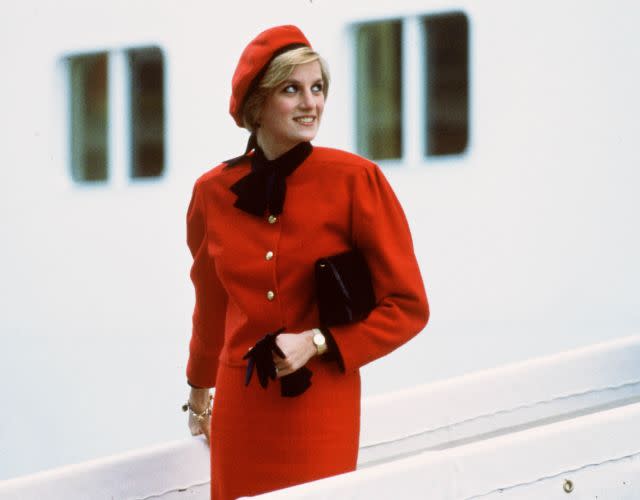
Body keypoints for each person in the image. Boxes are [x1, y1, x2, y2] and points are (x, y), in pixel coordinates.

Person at [183, 25, 429, 500]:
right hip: (241, 410)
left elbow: (409, 307)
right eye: (291, 89)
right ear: (256, 104)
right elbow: (211, 307)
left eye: (317, 89)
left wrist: (318, 342)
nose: (310, 103)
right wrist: (198, 391)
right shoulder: (211, 194)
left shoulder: (357, 181)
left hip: (322, 409)